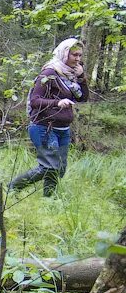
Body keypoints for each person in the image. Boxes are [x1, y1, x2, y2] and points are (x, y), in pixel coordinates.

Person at [10, 38, 89, 196]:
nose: (78, 59)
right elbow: (35, 101)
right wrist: (57, 103)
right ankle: (12, 187)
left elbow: (82, 98)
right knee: (48, 166)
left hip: (63, 129)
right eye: (74, 55)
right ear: (64, 53)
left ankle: (49, 199)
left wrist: (82, 78)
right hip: (43, 127)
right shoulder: (49, 73)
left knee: (59, 168)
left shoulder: (71, 75)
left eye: (80, 55)